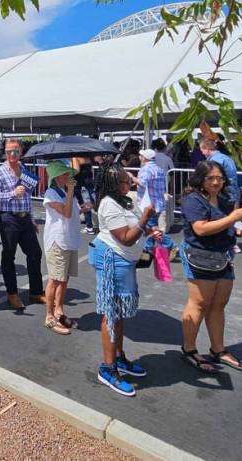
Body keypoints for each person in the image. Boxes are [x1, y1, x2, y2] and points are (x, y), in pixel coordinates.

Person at [179, 160, 242, 373]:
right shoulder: (192, 200)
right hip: (201, 256)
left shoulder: (223, 199)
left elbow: (226, 223)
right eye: (210, 178)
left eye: (219, 178)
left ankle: (218, 350)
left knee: (219, 304)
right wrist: (232, 218)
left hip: (223, 255)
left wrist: (239, 227)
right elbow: (201, 229)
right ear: (200, 179)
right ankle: (190, 349)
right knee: (199, 303)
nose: (215, 182)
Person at [90, 162, 157, 397]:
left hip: (125, 262)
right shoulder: (108, 204)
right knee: (111, 313)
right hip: (112, 260)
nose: (131, 182)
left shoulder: (125, 200)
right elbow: (126, 238)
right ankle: (107, 369)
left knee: (118, 313)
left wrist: (150, 230)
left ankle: (118, 357)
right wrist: (145, 218)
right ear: (114, 183)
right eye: (126, 180)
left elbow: (137, 228)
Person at [0, 138, 45, 310]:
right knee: (9, 255)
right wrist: (12, 193)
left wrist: (31, 218)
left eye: (15, 151)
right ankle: (12, 293)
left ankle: (36, 292)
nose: (11, 155)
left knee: (35, 253)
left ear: (20, 152)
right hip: (8, 217)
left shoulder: (24, 170)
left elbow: (28, 198)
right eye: (8, 152)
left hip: (24, 218)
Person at [42, 161, 87, 335]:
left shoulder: (69, 193)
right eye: (65, 174)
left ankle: (59, 312)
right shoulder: (51, 193)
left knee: (64, 278)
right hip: (57, 240)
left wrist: (83, 208)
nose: (69, 177)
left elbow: (73, 213)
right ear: (57, 177)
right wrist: (70, 192)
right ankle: (49, 316)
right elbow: (66, 213)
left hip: (69, 239)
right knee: (54, 278)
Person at [199, 138, 239, 202]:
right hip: (231, 192)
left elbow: (213, 178)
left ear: (207, 148)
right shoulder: (226, 157)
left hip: (222, 194)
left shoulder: (215, 160)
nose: (202, 153)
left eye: (202, 150)